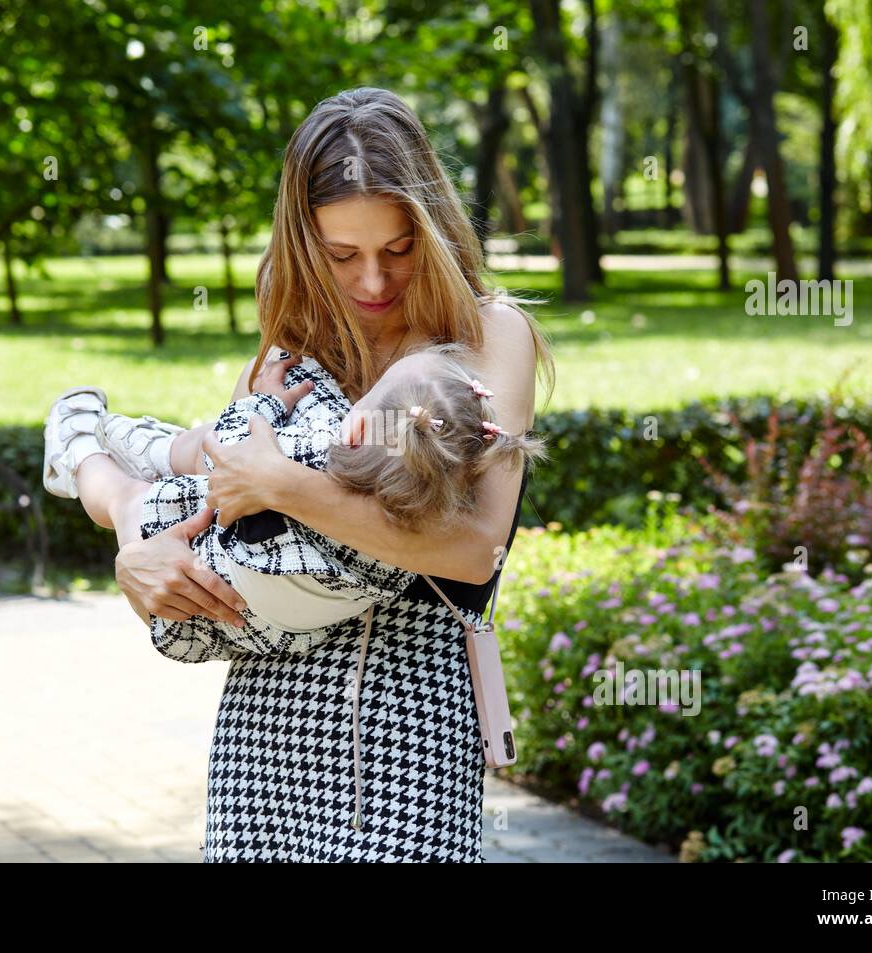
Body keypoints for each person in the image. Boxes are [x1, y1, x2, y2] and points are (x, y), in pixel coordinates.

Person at [58, 87, 555, 861]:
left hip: (413, 730)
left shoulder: (490, 334)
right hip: (267, 731)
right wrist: (139, 556)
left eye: (397, 249)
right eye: (341, 254)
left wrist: (284, 484)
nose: (372, 282)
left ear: (434, 228)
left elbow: (472, 550)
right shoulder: (292, 343)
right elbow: (219, 510)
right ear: (302, 239)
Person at [43, 343, 546, 662]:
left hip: (214, 557)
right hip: (265, 627)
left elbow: (234, 449)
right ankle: (138, 446)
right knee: (167, 478)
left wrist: (263, 400)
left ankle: (80, 447)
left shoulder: (313, 453)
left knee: (125, 498)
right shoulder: (407, 539)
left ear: (356, 426)